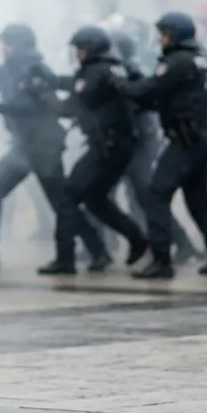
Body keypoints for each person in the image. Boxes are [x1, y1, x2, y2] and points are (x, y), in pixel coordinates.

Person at [0, 24, 108, 273]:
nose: (3, 49)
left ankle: (96, 249)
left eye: (6, 43)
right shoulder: (8, 70)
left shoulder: (36, 69)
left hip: (42, 144)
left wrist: (1, 108)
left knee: (59, 202)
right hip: (24, 145)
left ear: (16, 45)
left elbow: (38, 106)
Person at [116, 12, 207, 279]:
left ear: (176, 34)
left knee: (156, 193)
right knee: (198, 200)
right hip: (199, 137)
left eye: (164, 34)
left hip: (186, 139)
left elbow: (150, 90)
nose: (160, 39)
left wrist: (122, 85)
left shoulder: (179, 61)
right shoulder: (199, 60)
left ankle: (161, 260)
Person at [60, 26, 148, 272]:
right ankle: (136, 238)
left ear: (91, 48)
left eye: (80, 48)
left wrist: (41, 99)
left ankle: (64, 258)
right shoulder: (115, 67)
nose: (77, 53)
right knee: (95, 198)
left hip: (107, 145)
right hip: (118, 143)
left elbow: (71, 106)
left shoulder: (94, 71)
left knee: (69, 193)